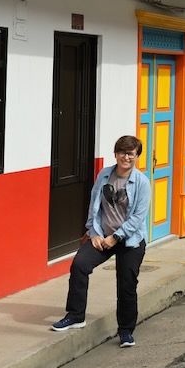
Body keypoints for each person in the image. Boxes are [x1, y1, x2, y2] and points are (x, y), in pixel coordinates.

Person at [51, 135, 150, 348]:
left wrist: (115, 238)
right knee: (79, 265)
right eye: (122, 152)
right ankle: (76, 315)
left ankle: (125, 331)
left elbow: (137, 218)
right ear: (116, 154)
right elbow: (94, 205)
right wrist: (94, 233)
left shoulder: (142, 183)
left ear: (137, 156)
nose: (126, 157)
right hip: (103, 235)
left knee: (126, 283)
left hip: (130, 240)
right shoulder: (104, 175)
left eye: (131, 154)